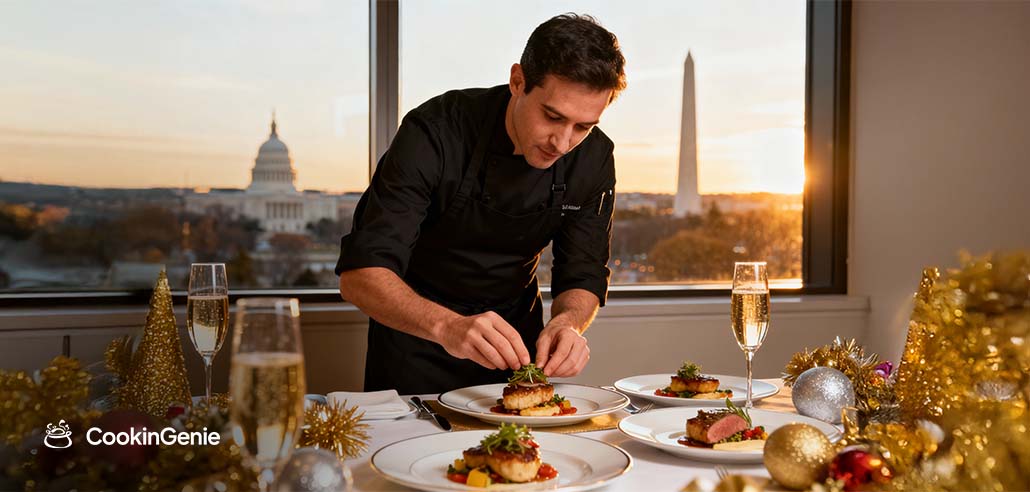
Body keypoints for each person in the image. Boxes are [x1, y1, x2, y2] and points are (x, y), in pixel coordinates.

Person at [336, 13, 626, 394]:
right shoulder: (434, 132)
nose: (562, 142)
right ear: (518, 81)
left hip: (516, 351)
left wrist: (567, 323)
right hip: (416, 348)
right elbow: (361, 277)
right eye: (552, 116)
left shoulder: (594, 158)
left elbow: (584, 273)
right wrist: (449, 327)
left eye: (583, 126)